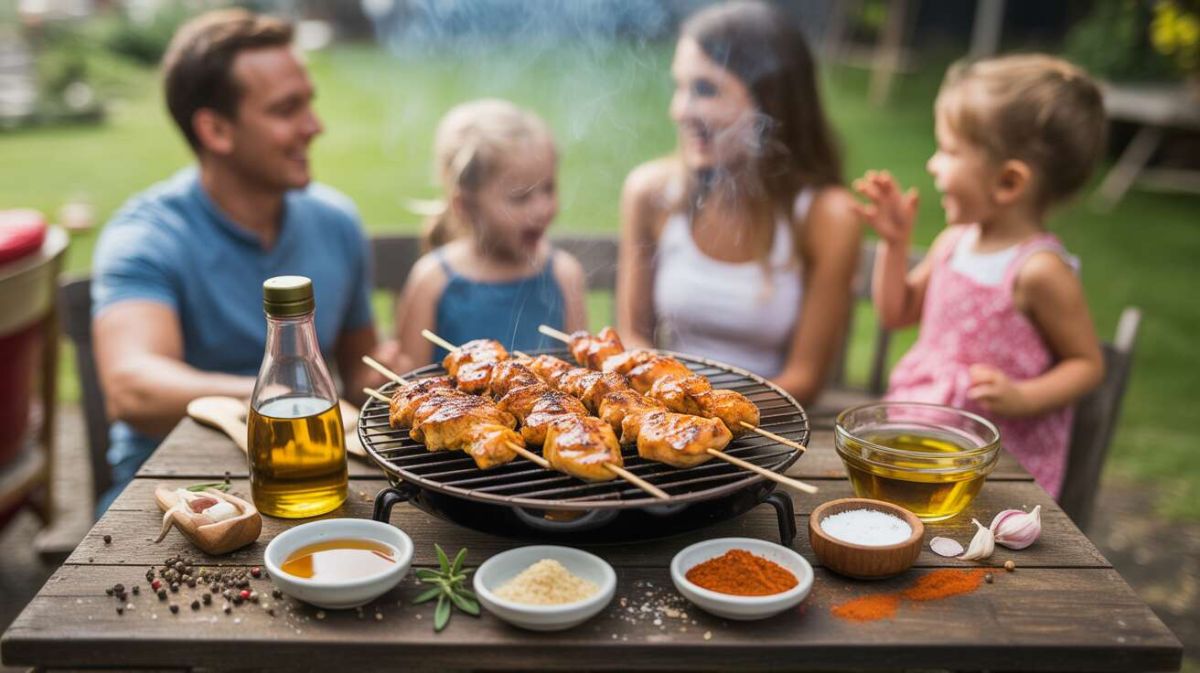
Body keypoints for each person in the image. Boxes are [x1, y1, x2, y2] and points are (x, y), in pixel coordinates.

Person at [91, 9, 402, 512]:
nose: (314, 126)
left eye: (310, 105)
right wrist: (285, 392)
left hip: (314, 481)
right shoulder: (148, 236)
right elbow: (134, 388)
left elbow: (361, 372)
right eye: (287, 110)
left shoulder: (336, 221)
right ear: (216, 130)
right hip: (179, 497)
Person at [853, 54, 1107, 497]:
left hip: (999, 464)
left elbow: (1086, 365)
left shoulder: (1038, 271)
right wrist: (895, 246)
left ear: (1008, 182)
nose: (933, 165)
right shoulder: (953, 241)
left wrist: (1025, 397)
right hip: (922, 440)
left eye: (949, 151)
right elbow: (896, 314)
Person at [616, 0, 862, 404]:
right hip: (662, 415)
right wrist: (670, 410)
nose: (678, 110)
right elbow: (633, 338)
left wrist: (707, 414)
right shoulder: (651, 193)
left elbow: (804, 378)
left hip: (763, 427)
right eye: (679, 87)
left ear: (771, 101)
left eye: (705, 90)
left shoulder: (827, 215)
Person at [394, 99, 588, 365]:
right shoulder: (433, 281)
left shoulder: (564, 275)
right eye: (521, 198)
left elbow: (580, 373)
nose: (542, 208)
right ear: (465, 206)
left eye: (548, 189)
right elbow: (407, 383)